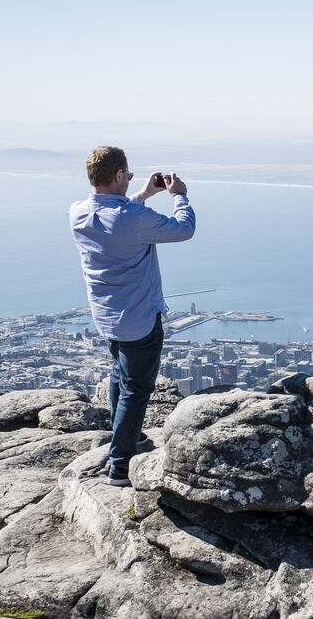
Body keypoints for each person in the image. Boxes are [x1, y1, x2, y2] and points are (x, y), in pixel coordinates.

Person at [70, 146, 196, 486]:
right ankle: (121, 465)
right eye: (129, 175)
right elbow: (184, 229)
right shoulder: (133, 219)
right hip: (138, 319)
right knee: (136, 390)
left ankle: (127, 437)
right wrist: (178, 196)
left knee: (119, 374)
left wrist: (143, 194)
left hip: (106, 316)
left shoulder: (78, 213)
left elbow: (120, 219)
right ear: (118, 175)